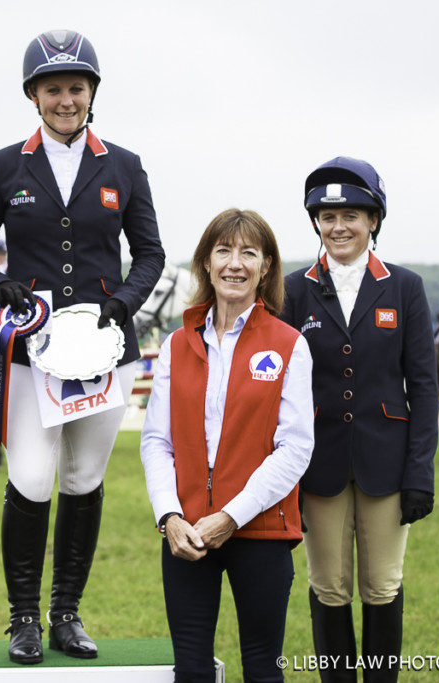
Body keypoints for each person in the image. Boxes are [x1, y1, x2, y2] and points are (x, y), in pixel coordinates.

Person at [0, 29, 165, 664]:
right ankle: (23, 617)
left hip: (104, 347)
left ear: (91, 93)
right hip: (33, 346)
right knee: (30, 476)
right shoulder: (3, 167)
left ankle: (66, 612)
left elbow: (151, 252)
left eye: (76, 88)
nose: (65, 99)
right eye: (53, 89)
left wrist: (123, 303)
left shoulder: (125, 166)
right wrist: (1, 287)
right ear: (34, 96)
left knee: (84, 477)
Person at [281, 157, 438, 681]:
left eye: (352, 214)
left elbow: (424, 388)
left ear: (374, 219)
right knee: (329, 586)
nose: (339, 226)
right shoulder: (292, 290)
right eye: (327, 217)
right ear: (316, 224)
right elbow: (278, 391)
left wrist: (420, 473)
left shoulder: (405, 288)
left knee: (383, 586)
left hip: (387, 467)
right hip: (317, 466)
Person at [140, 209, 313, 682]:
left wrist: (231, 516)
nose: (234, 264)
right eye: (223, 251)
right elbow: (157, 440)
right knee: (191, 670)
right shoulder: (176, 345)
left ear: (266, 267)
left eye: (248, 253)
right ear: (205, 264)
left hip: (260, 531)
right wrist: (169, 516)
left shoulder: (290, 344)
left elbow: (295, 449)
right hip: (186, 535)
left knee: (261, 670)